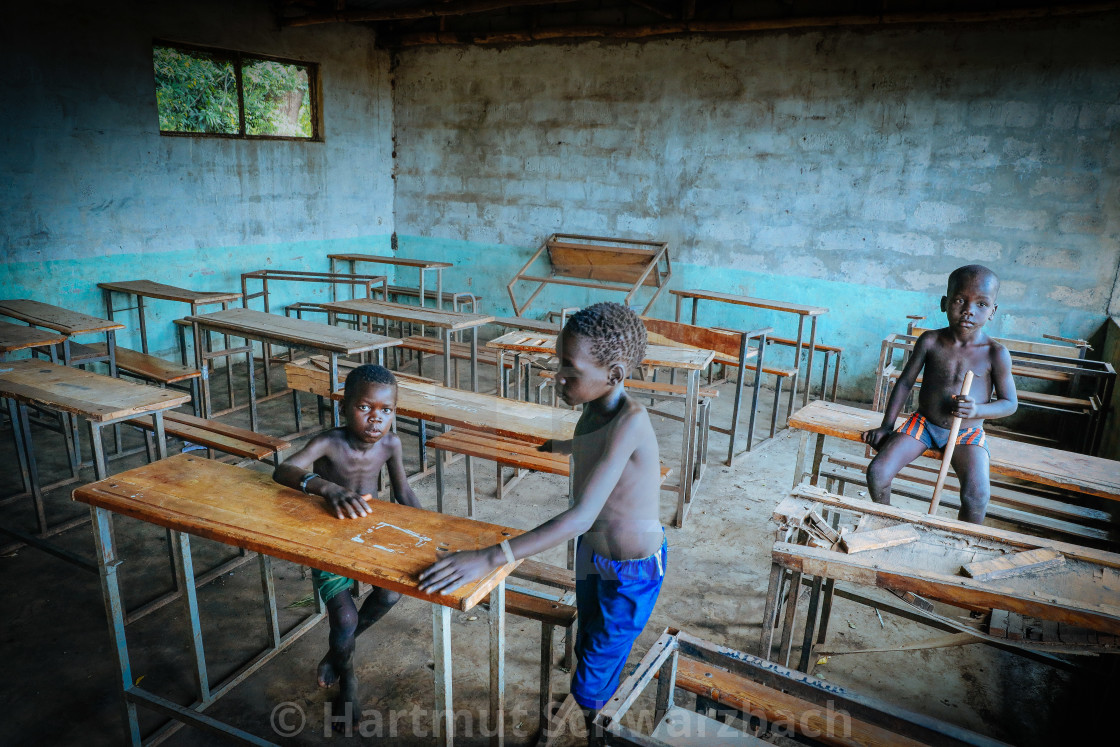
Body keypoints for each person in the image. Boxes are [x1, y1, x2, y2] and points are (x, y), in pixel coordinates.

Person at [418, 301, 666, 734]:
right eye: (559, 364)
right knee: (591, 637)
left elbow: (580, 518)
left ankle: (596, 727)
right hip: (593, 556)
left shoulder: (632, 421)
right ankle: (595, 703)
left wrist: (492, 556)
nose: (559, 379)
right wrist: (560, 446)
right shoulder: (593, 408)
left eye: (570, 370)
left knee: (595, 666)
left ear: (614, 374)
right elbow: (592, 442)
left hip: (632, 571)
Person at [273, 364, 420, 725]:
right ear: (343, 407)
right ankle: (348, 679)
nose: (376, 419)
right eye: (365, 407)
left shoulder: (391, 444)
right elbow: (282, 470)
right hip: (327, 537)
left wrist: (430, 534)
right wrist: (327, 488)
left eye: (386, 411)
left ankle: (335, 653)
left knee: (389, 595)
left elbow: (403, 493)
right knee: (345, 615)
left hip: (368, 533)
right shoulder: (329, 442)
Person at [861, 264, 1017, 523]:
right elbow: (904, 383)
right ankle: (885, 524)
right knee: (878, 472)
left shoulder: (995, 353)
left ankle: (961, 545)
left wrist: (978, 410)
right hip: (924, 424)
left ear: (993, 312)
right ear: (945, 303)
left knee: (977, 497)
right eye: (959, 300)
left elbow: (1009, 403)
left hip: (967, 433)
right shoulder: (930, 340)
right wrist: (886, 427)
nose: (968, 310)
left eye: (981, 304)